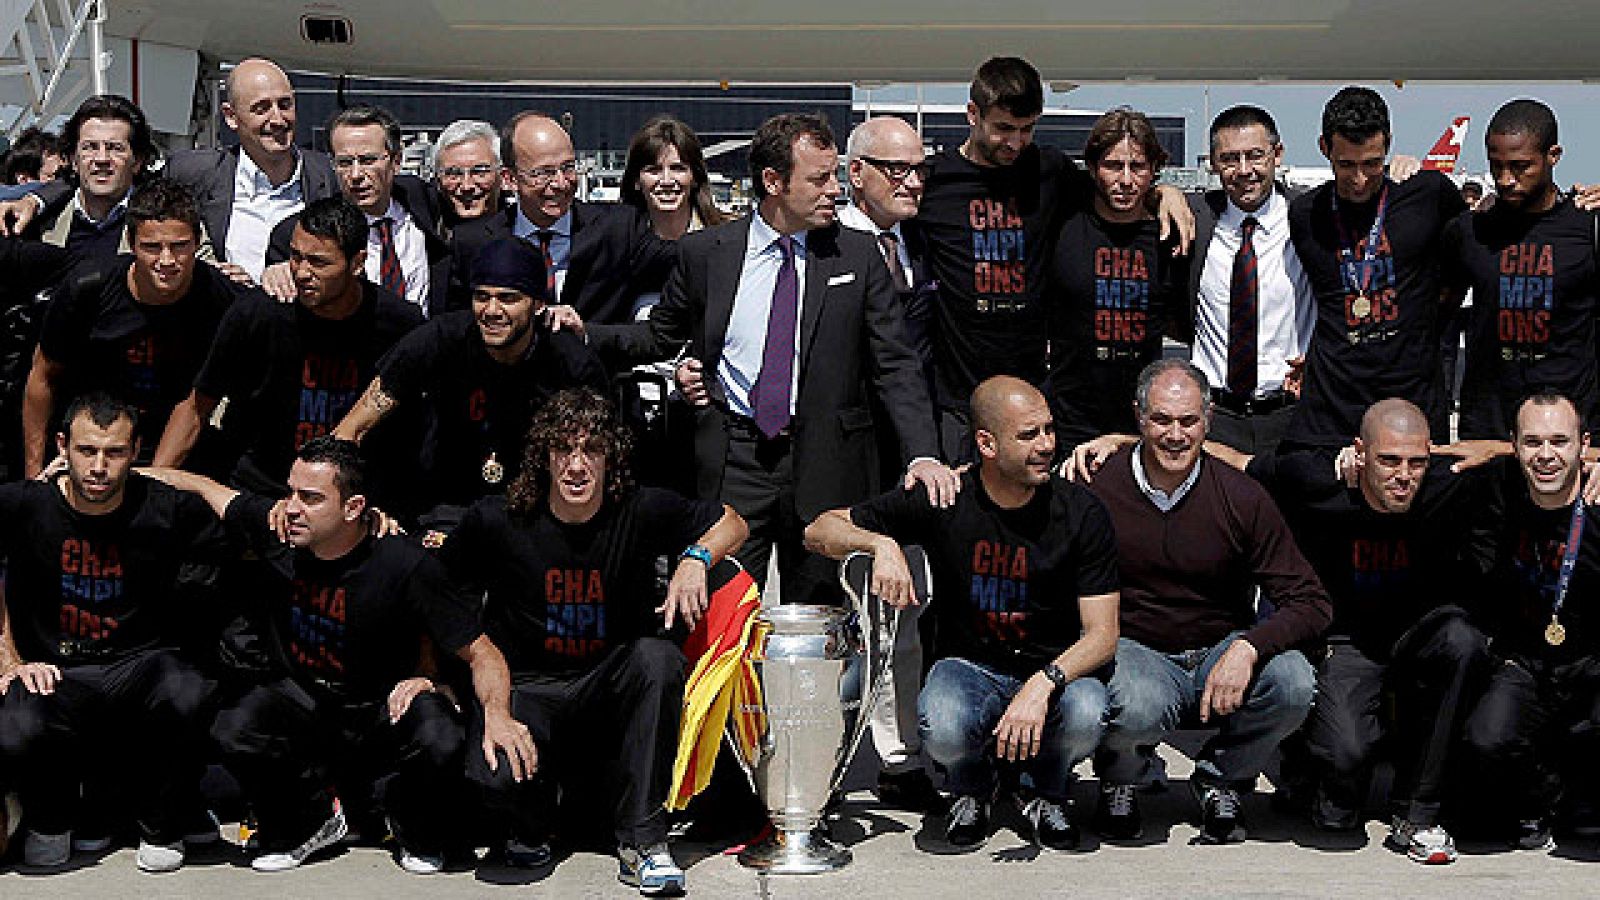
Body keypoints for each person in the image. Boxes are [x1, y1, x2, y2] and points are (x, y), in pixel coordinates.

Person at [593, 112, 953, 606]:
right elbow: (659, 337)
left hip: (827, 464)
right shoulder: (706, 254)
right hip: (734, 461)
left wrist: (922, 452)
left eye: (834, 175)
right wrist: (582, 333)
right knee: (727, 615)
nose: (834, 190)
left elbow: (896, 364)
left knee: (823, 624)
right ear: (773, 182)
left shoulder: (858, 255)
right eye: (819, 178)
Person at [437, 388, 747, 895]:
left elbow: (732, 522)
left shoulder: (640, 507)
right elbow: (438, 593)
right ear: (543, 456)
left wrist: (695, 557)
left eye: (591, 451)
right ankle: (530, 827)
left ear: (611, 458)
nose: (577, 466)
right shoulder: (498, 518)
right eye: (564, 450)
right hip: (527, 686)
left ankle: (645, 841)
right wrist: (434, 675)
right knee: (490, 776)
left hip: (609, 683)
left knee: (658, 658)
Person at [805, 376, 1119, 851]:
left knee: (1089, 712)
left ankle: (1043, 788)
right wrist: (880, 544)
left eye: (1049, 431)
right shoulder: (946, 496)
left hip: (1052, 667)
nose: (1047, 446)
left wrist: (1041, 685)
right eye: (1029, 435)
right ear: (986, 443)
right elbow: (819, 530)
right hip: (969, 665)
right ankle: (973, 786)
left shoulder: (1081, 512)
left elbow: (1102, 635)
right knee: (943, 722)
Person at [143, 437, 480, 874]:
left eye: (311, 498)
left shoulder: (403, 560)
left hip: (381, 707)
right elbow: (203, 487)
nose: (292, 507)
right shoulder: (277, 530)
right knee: (233, 727)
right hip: (306, 702)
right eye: (290, 492)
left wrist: (437, 680)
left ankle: (409, 824)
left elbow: (473, 644)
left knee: (438, 732)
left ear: (354, 507)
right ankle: (311, 821)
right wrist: (112, 474)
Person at [1082, 359, 1327, 844]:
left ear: (1209, 421)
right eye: (1162, 420)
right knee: (1139, 701)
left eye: (1189, 421)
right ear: (1138, 417)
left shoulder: (1242, 496)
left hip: (1220, 646)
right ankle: (1120, 779)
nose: (1176, 435)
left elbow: (1310, 600)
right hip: (1136, 649)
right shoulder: (1099, 487)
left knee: (1294, 684)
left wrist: (1249, 648)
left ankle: (1221, 778)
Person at [1245, 398, 1494, 864]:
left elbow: (1542, 453)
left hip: (1417, 632)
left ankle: (1417, 813)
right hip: (1346, 640)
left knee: (1464, 642)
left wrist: (1488, 449)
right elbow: (1235, 461)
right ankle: (1311, 773)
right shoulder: (1315, 485)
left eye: (1417, 462)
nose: (1404, 475)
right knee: (1345, 763)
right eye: (1389, 460)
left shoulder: (1447, 484)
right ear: (1359, 453)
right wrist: (1126, 442)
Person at [911, 57, 1192, 462]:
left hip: (1034, 394)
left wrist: (1168, 194)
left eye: (1027, 129)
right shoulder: (936, 181)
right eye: (1003, 129)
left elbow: (1117, 191)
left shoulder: (1049, 171)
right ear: (973, 115)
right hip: (958, 398)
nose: (1015, 143)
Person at [0, 393, 225, 872]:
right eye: (87, 451)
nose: (99, 466)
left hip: (138, 665)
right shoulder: (25, 505)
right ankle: (51, 818)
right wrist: (8, 657)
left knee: (190, 690)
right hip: (55, 669)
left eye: (115, 452)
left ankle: (160, 820)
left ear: (136, 453)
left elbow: (258, 527)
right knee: (15, 725)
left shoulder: (165, 508)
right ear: (63, 447)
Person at [152, 196, 424, 496]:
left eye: (319, 262)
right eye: (295, 257)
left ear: (357, 263)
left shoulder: (399, 324)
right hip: (260, 490)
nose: (302, 272)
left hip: (353, 499)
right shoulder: (258, 314)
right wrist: (155, 484)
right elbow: (197, 406)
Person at [334, 237, 607, 516]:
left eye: (508, 298)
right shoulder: (441, 338)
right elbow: (353, 428)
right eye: (482, 296)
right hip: (445, 507)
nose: (491, 311)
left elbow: (601, 460)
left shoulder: (571, 364)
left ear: (537, 304)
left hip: (535, 511)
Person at [22, 177, 247, 476]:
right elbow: (42, 377)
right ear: (131, 243)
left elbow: (196, 403)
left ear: (197, 242)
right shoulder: (87, 288)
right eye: (152, 247)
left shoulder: (223, 298)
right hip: (93, 436)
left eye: (179, 247)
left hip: (177, 440)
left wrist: (153, 482)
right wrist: (33, 474)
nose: (167, 261)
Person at [1285, 86, 1468, 446]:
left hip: (1413, 400)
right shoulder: (1307, 214)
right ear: (1325, 148)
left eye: (1372, 164)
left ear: (1388, 146)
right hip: (1333, 406)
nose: (1360, 179)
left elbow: (1470, 257)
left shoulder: (1427, 194)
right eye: (1346, 165)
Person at [1465, 391, 1600, 850]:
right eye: (1533, 442)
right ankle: (1539, 795)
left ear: (1584, 446)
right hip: (1523, 661)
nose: (1546, 456)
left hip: (1590, 667)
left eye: (1559, 442)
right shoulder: (1495, 488)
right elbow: (1414, 460)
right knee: (1487, 737)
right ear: (1514, 446)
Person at [1443, 99, 1600, 439]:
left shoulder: (1588, 228)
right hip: (1487, 430)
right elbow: (1435, 313)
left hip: (1567, 433)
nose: (1505, 179)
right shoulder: (1471, 230)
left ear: (1553, 156)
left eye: (1520, 166)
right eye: (1496, 166)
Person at [449, 112, 674, 325]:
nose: (560, 183)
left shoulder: (618, 230)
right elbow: (457, 330)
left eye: (567, 168)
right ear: (510, 179)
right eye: (543, 173)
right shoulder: (473, 243)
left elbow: (684, 262)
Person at [1179, 105, 1313, 457]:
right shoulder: (1195, 221)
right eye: (1229, 159)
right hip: (1214, 417)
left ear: (1277, 154)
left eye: (1255, 156)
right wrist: (1166, 194)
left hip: (1291, 414)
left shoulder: (1309, 221)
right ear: (1211, 162)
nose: (1243, 171)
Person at [1047, 107, 1185, 448]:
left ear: (1154, 169)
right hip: (1068, 420)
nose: (1126, 180)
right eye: (1113, 166)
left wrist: (1171, 194)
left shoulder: (1171, 236)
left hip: (1144, 424)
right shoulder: (1061, 226)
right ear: (1093, 168)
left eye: (1137, 167)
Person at [162, 58, 340, 281]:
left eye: (285, 105)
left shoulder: (329, 176)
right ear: (231, 117)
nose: (277, 119)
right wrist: (208, 274)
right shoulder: (192, 174)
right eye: (261, 109)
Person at [428, 118, 506, 266]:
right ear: (438, 179)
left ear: (502, 176)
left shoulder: (522, 232)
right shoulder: (425, 232)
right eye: (453, 173)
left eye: (479, 172)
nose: (466, 186)